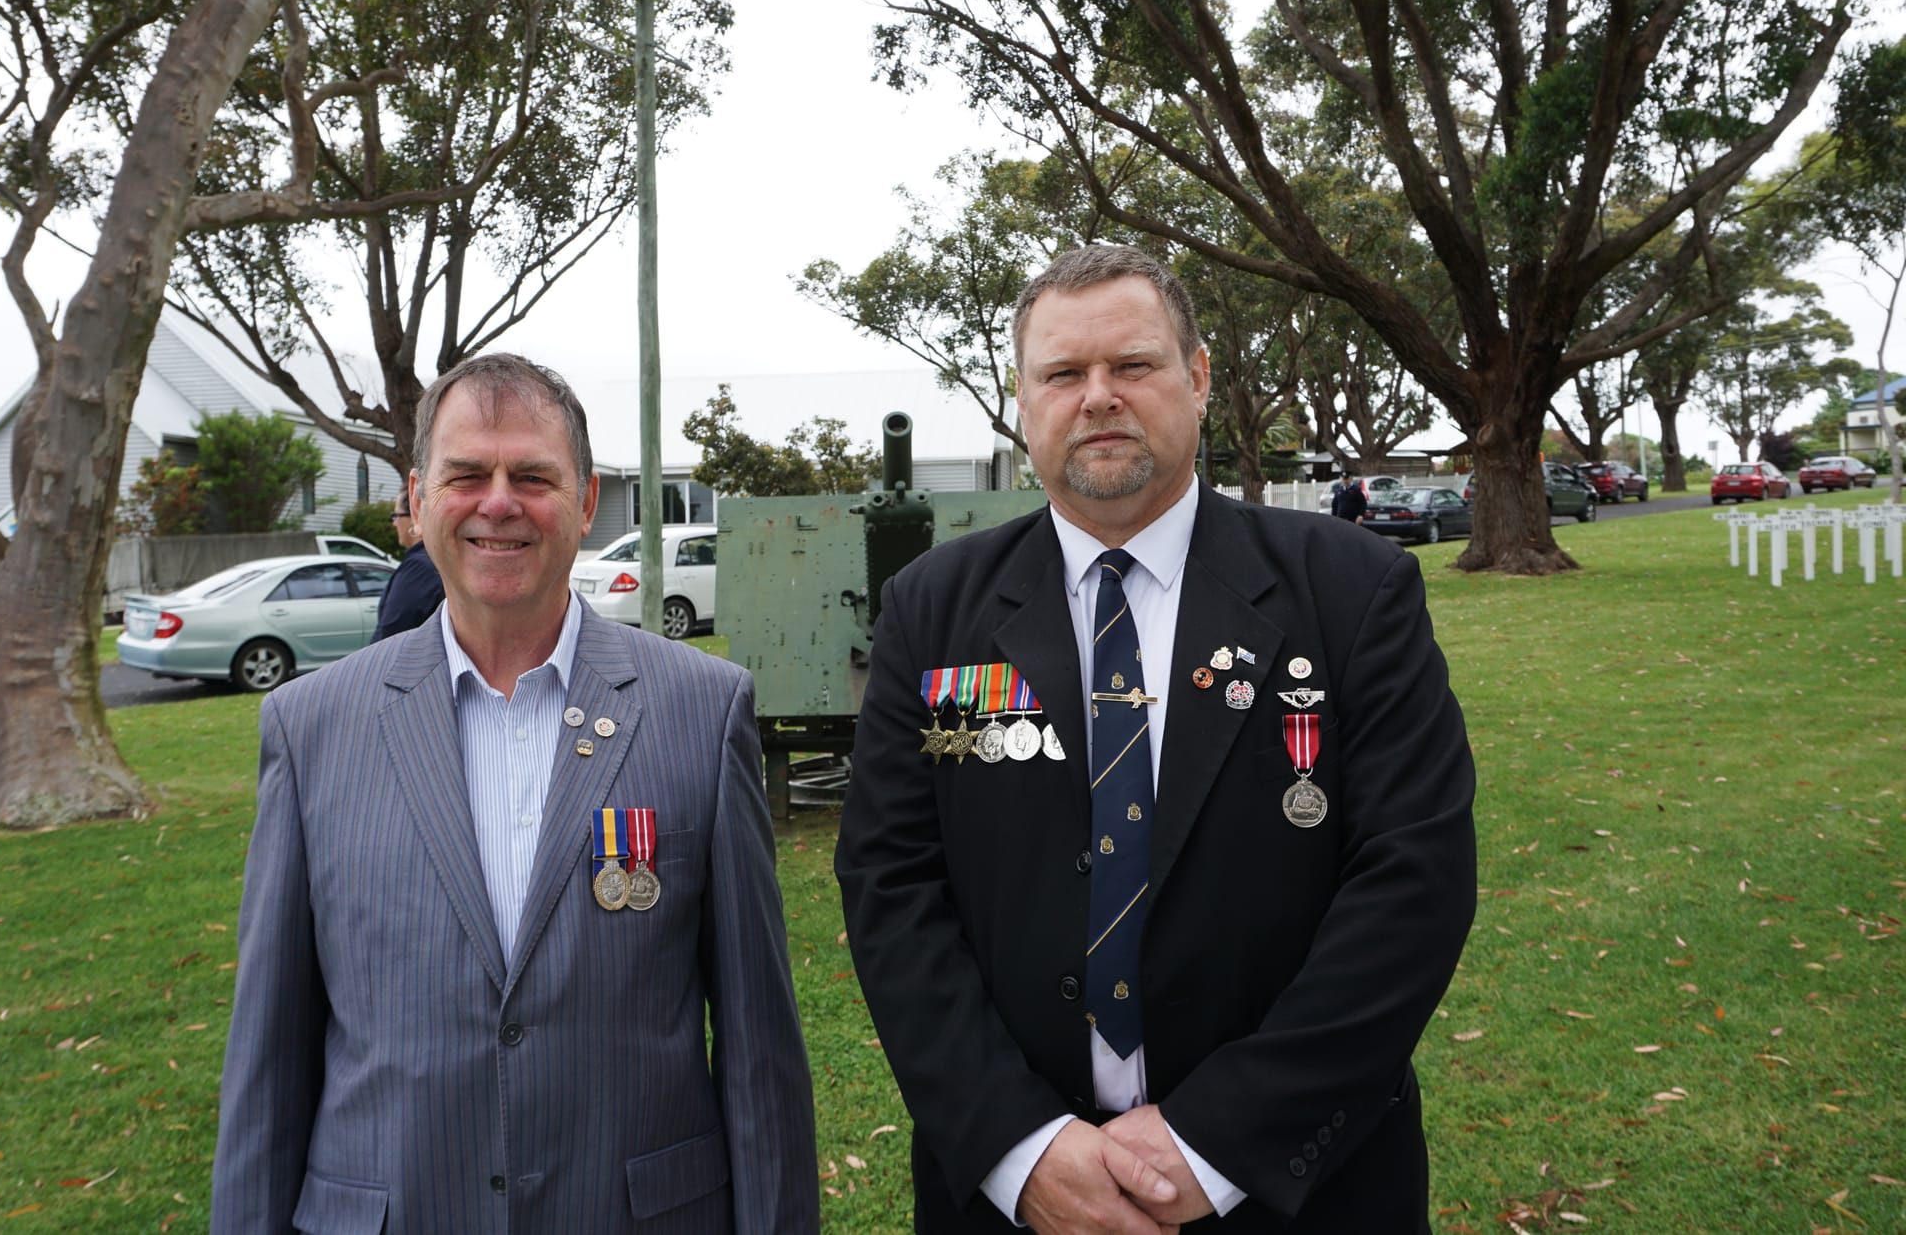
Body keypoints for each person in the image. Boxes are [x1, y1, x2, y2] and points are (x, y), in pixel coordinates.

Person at [836, 245, 1475, 1233]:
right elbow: (890, 885)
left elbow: (1411, 879)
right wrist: (1020, 1146)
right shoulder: (931, 610)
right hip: (1019, 1201)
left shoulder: (1350, 593)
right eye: (1062, 373)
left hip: (1295, 1191)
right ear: (1021, 401)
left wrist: (1216, 1143)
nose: (1096, 397)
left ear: (1197, 377)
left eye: (1130, 365)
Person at [212, 354, 818, 1234]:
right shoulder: (311, 728)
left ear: (582, 501)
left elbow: (761, 1052)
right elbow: (267, 1061)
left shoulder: (701, 707)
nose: (499, 501)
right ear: (419, 501)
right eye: (467, 475)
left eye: (532, 475)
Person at [371, 488, 445, 640]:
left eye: (396, 516)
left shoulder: (419, 568)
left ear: (415, 514)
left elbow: (393, 632)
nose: (394, 523)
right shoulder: (436, 559)